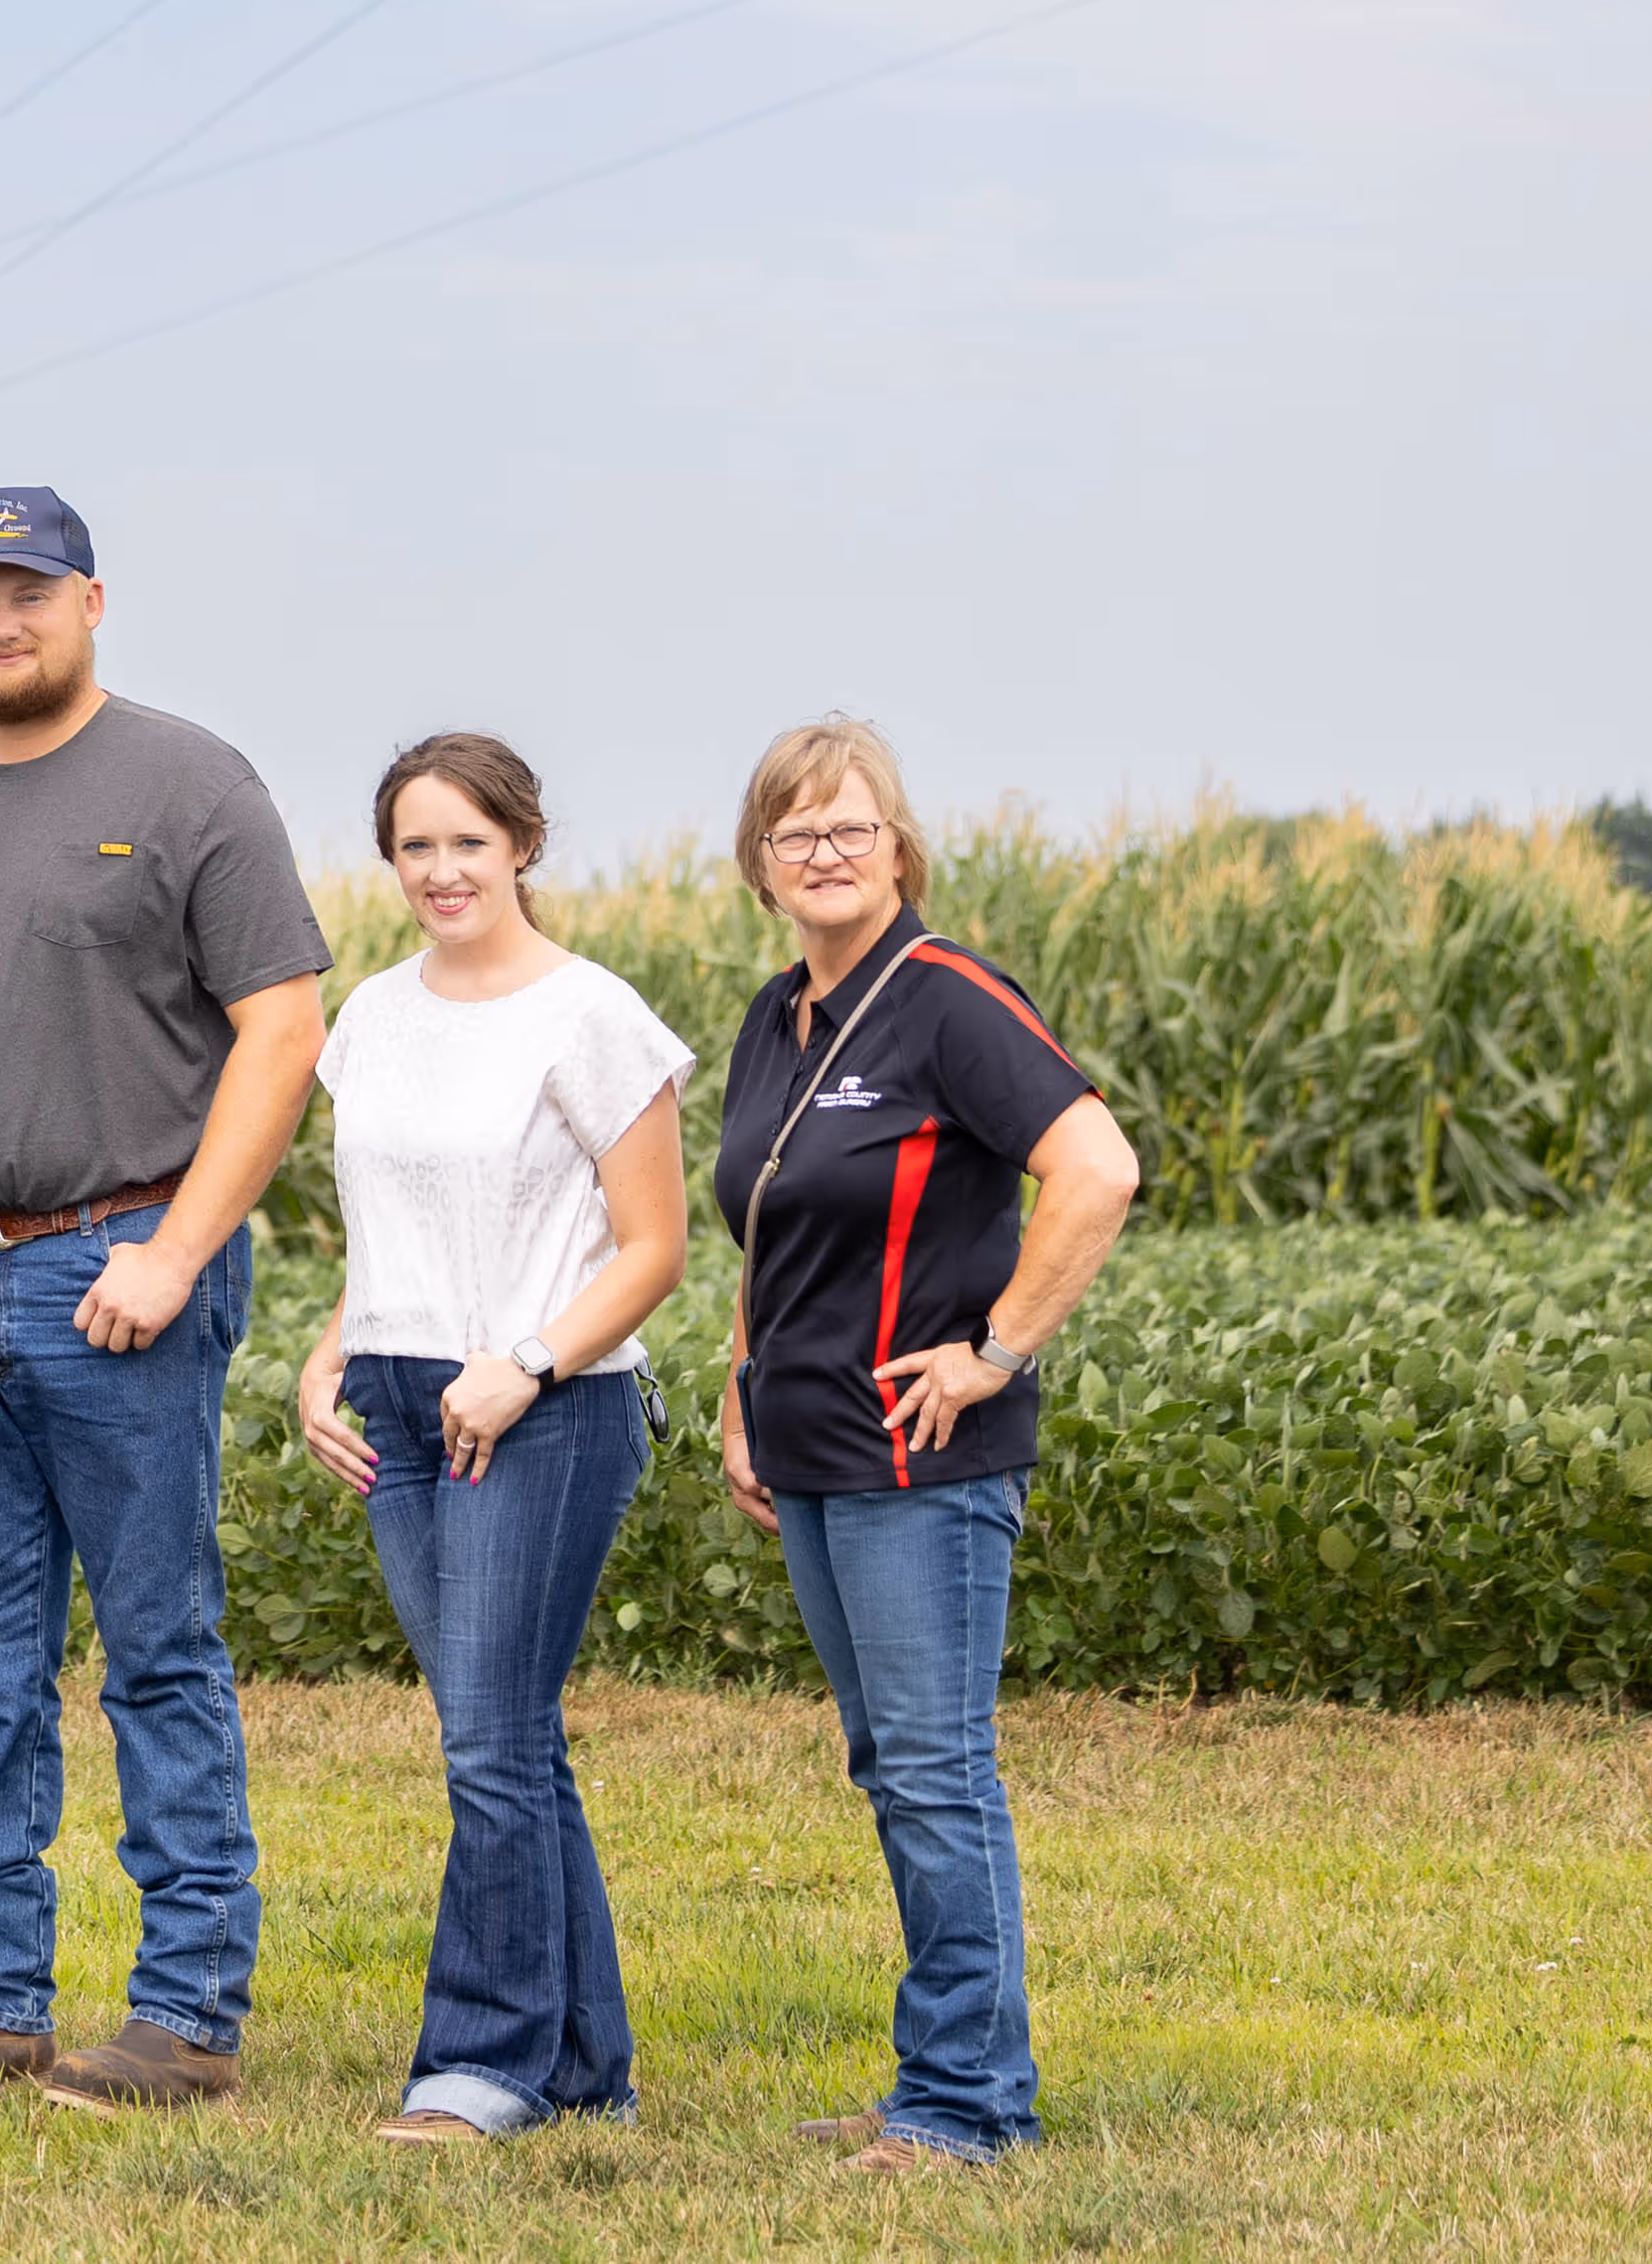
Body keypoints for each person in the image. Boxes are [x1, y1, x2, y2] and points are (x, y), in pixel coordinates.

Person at [0, 487, 332, 2114]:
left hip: (119, 1273)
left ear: (89, 601)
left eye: (26, 591)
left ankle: (186, 2012)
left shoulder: (189, 782)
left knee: (157, 1648)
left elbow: (282, 1026)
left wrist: (174, 1250)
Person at [708, 714, 1144, 2174]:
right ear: (760, 864)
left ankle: (964, 2104)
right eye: (795, 833)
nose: (825, 853)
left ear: (898, 848)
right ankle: (945, 2072)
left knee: (937, 1770)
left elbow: (1097, 1168)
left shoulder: (949, 998)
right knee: (890, 1765)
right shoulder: (775, 1017)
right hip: (811, 1447)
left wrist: (995, 1350)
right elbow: (769, 1225)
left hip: (922, 1457)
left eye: (852, 827)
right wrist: (740, 1388)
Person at [288, 733, 692, 2145]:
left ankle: (484, 2061)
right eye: (416, 845)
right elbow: (387, 1223)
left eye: (469, 841)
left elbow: (654, 1248)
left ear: (523, 843)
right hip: (400, 1409)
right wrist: (331, 1350)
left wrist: (523, 1367)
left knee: (488, 1741)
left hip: (542, 1409)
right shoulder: (371, 1015)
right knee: (503, 1735)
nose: (442, 870)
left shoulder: (591, 1015)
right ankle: (583, 2065)